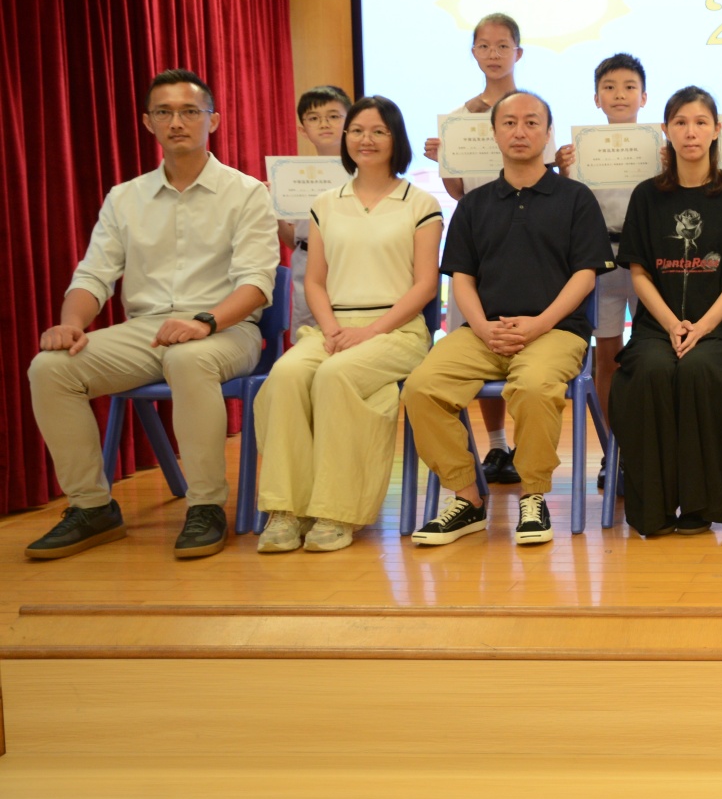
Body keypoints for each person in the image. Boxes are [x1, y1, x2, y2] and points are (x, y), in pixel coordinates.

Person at [25, 69, 278, 561]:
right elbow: (93, 275)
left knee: (188, 358)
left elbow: (256, 284)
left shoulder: (246, 192)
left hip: (226, 328)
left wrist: (204, 322)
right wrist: (71, 323)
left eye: (189, 111)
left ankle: (205, 505)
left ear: (213, 121)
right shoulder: (125, 197)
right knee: (50, 368)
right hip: (146, 331)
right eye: (164, 112)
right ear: (148, 122)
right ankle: (92, 507)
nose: (176, 122)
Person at [406, 90, 614, 547]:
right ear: (494, 133)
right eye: (510, 123)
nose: (520, 131)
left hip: (555, 331)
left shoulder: (576, 198)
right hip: (484, 332)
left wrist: (540, 324)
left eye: (532, 122)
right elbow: (462, 278)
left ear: (548, 132)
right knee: (421, 388)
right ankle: (467, 498)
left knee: (535, 387)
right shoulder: (474, 204)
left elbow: (585, 276)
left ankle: (533, 495)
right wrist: (482, 327)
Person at [253, 96, 443, 552]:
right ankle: (285, 509)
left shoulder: (420, 203)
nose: (366, 139)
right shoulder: (325, 203)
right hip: (333, 328)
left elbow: (425, 286)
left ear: (396, 139)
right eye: (357, 130)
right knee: (286, 375)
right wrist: (333, 329)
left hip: (397, 330)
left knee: (336, 376)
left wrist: (370, 332)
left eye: (378, 131)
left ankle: (336, 511)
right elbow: (314, 281)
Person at [606, 87, 722, 537]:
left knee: (701, 370)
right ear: (666, 130)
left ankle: (701, 505)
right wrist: (670, 324)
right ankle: (653, 508)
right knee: (650, 372)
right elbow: (639, 271)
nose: (691, 132)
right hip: (657, 329)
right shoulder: (647, 196)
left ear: (717, 130)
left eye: (700, 122)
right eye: (680, 122)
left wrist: (702, 326)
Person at [420, 12, 555, 490]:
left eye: (503, 46)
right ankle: (496, 446)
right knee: (484, 340)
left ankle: (526, 452)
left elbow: (546, 179)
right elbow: (458, 192)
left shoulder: (534, 109)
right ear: (474, 52)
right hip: (482, 234)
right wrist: (445, 162)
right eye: (485, 46)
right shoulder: (459, 119)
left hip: (532, 241)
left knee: (533, 363)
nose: (494, 54)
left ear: (519, 52)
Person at [555, 52, 648, 489]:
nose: (619, 95)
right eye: (609, 87)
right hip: (599, 259)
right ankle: (616, 450)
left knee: (650, 356)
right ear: (596, 98)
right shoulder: (579, 151)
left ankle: (650, 446)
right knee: (606, 356)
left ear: (644, 97)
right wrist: (564, 171)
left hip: (649, 260)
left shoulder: (660, 147)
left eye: (629, 87)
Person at [281, 85, 350, 336]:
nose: (324, 124)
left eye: (333, 116)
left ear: (349, 122)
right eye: (313, 118)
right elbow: (293, 241)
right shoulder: (293, 177)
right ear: (303, 129)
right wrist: (275, 209)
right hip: (307, 263)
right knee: (309, 339)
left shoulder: (365, 173)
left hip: (351, 263)